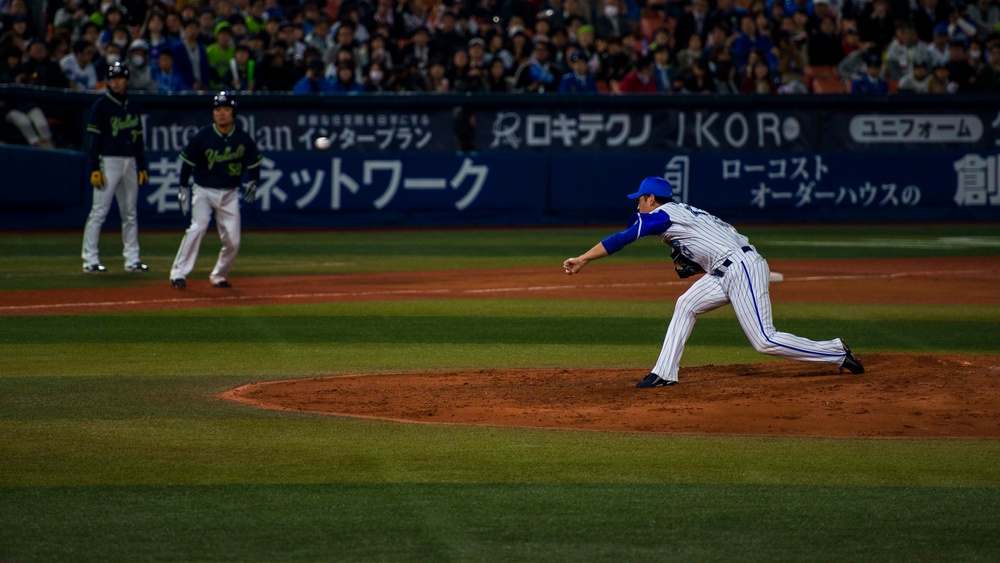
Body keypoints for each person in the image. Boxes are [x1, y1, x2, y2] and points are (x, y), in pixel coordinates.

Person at [562, 176, 864, 387]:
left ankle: (836, 351)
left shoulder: (662, 214)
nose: (637, 205)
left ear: (650, 199)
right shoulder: (687, 212)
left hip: (741, 269)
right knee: (686, 304)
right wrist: (693, 258)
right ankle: (664, 372)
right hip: (727, 269)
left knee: (764, 340)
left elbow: (622, 238)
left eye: (639, 200)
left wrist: (583, 258)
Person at [170, 91, 263, 290]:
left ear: (233, 113)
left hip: (229, 194)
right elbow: (187, 163)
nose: (221, 113)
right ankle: (178, 273)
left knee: (234, 241)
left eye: (226, 109)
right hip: (204, 191)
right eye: (218, 109)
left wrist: (254, 181)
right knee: (198, 227)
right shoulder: (203, 136)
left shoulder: (242, 139)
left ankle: (219, 274)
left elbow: (254, 165)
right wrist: (183, 186)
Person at [81, 62, 149, 274]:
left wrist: (142, 165)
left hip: (129, 162)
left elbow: (138, 140)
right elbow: (92, 138)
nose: (116, 82)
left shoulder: (132, 106)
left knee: (130, 212)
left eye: (120, 78)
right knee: (99, 211)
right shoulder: (101, 106)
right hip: (108, 161)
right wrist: (95, 166)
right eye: (113, 78)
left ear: (127, 80)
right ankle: (90, 259)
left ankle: (132, 259)